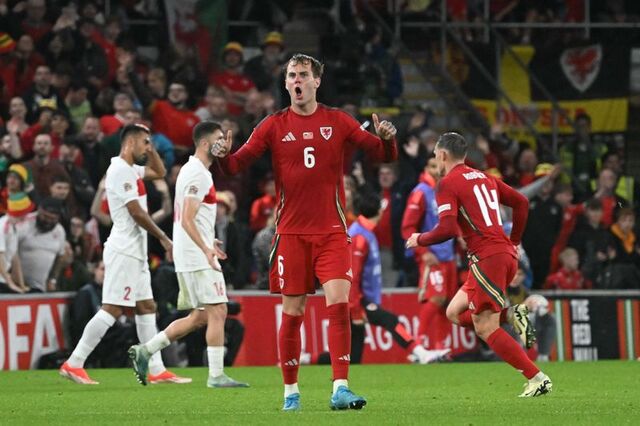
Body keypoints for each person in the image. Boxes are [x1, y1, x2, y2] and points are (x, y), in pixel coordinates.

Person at [213, 53, 398, 411]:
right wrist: (223, 155)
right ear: (286, 84)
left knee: (340, 305)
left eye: (303, 75)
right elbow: (236, 166)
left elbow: (382, 154)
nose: (297, 80)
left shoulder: (338, 121)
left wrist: (387, 139)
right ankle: (291, 393)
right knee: (293, 312)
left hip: (332, 232)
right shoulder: (273, 125)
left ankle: (340, 388)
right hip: (291, 234)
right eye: (291, 75)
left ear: (317, 81)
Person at [406, 132, 552, 397]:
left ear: (442, 155)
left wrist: (420, 239)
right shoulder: (484, 177)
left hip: (488, 259)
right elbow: (521, 202)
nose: (435, 161)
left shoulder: (447, 183)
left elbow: (447, 229)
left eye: (435, 156)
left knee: (485, 327)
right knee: (454, 312)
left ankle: (537, 378)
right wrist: (514, 241)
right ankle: (512, 315)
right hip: (498, 256)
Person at [60, 123, 188, 385]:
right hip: (124, 249)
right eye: (144, 142)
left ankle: (156, 369)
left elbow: (160, 172)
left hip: (136, 252)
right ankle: (74, 362)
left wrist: (151, 148)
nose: (147, 147)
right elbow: (136, 212)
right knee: (113, 308)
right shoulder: (119, 170)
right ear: (130, 143)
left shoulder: (132, 169)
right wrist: (163, 237)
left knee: (147, 307)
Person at [128, 121, 248, 388]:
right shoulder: (198, 174)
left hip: (191, 252)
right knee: (219, 310)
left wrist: (209, 239)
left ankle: (146, 350)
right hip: (196, 256)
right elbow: (187, 219)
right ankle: (216, 375)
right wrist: (205, 249)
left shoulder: (191, 170)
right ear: (205, 143)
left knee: (201, 316)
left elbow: (189, 216)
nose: (222, 143)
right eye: (218, 139)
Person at [349, 190, 449, 363]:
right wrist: (355, 309)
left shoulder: (366, 232)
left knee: (353, 357)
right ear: (378, 210)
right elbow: (352, 275)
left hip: (358, 298)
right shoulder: (359, 236)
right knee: (391, 320)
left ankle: (307, 359)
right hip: (356, 299)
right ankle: (420, 353)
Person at [402, 156, 457, 350]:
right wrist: (423, 252)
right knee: (436, 298)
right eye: (432, 166)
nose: (437, 170)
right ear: (426, 168)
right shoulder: (421, 192)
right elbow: (407, 227)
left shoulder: (446, 189)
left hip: (449, 255)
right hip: (432, 255)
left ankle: (441, 348)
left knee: (448, 303)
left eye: (439, 166)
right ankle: (418, 345)